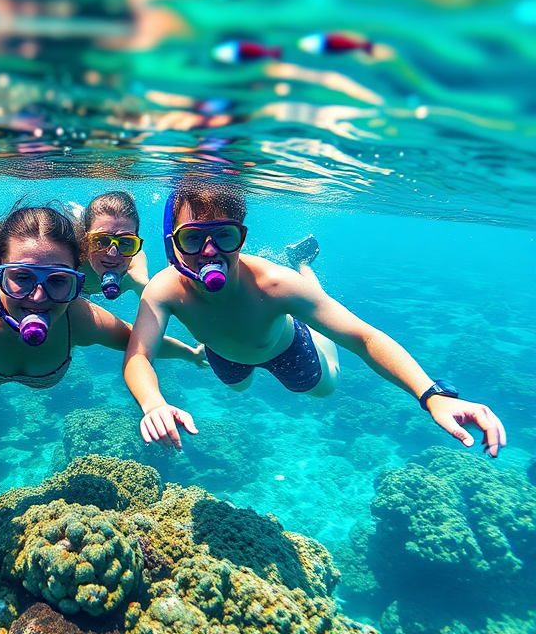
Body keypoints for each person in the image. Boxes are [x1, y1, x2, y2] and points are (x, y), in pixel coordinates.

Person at [124, 178, 507, 456]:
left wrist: (431, 394)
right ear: (172, 243)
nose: (210, 252)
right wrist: (153, 403)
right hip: (224, 353)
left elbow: (364, 338)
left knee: (325, 387)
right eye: (193, 238)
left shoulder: (277, 285)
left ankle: (305, 269)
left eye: (224, 236)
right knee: (237, 387)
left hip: (286, 348)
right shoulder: (164, 289)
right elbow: (138, 354)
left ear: (242, 237)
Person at [0, 203, 203, 408]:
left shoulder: (80, 319)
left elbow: (141, 344)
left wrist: (191, 354)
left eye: (57, 280)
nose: (39, 298)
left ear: (77, 280)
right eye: (22, 277)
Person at [77, 191, 150, 300]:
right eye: (101, 241)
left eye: (125, 242)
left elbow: (156, 299)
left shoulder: (133, 272)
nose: (112, 253)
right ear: (85, 241)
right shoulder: (72, 256)